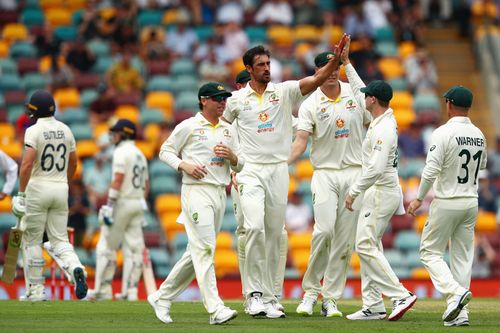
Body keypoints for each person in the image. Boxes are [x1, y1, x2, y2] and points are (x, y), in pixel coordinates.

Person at [222, 43, 344, 318]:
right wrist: (232, 163)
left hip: (278, 170)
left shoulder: (283, 91)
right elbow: (223, 129)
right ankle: (253, 295)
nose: (267, 68)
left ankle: (268, 297)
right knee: (253, 228)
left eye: (268, 63)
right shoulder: (236, 100)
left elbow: (316, 79)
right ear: (249, 69)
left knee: (274, 234)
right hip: (250, 171)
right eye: (261, 65)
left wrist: (336, 60)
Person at [148, 82, 243, 325]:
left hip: (220, 193)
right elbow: (165, 151)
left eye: (224, 99)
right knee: (206, 249)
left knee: (197, 252)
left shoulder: (228, 130)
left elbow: (240, 165)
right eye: (217, 98)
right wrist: (184, 165)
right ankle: (215, 308)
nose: (223, 102)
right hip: (195, 192)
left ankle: (162, 296)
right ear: (203, 100)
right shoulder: (189, 126)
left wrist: (232, 157)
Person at [288, 51, 371, 317]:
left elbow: (375, 117)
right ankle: (311, 292)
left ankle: (331, 298)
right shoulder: (310, 104)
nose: (332, 71)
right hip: (324, 173)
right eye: (326, 67)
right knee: (323, 232)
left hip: (354, 173)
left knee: (345, 241)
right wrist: (284, 161)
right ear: (317, 72)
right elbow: (301, 139)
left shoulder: (355, 94)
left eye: (335, 66)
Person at [342, 37, 417, 321]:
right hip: (378, 191)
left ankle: (401, 294)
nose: (363, 97)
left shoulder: (385, 129)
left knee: (364, 244)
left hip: (381, 191)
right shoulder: (378, 118)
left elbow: (375, 168)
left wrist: (353, 192)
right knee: (372, 245)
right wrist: (346, 63)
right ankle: (373, 305)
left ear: (372, 100)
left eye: (366, 96)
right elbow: (360, 85)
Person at [408, 85, 487, 327]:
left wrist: (419, 197)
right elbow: (481, 166)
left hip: (447, 200)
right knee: (462, 257)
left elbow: (431, 169)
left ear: (449, 105)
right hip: (470, 201)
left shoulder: (442, 132)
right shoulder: (480, 134)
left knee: (429, 251)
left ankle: (454, 294)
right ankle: (460, 313)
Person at [11, 90, 88, 301]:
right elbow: (74, 163)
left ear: (35, 111)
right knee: (60, 239)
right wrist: (65, 181)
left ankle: (36, 291)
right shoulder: (66, 129)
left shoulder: (33, 131)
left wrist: (21, 194)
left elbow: (27, 164)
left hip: (37, 188)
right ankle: (75, 267)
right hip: (60, 188)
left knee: (32, 240)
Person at [231, 69, 289, 313]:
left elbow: (297, 128)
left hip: (271, 174)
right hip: (243, 177)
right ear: (239, 86)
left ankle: (272, 293)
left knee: (276, 234)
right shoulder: (234, 109)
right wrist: (232, 172)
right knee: (249, 232)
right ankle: (251, 294)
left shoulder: (272, 108)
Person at [87, 119, 149, 301]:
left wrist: (110, 204)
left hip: (122, 203)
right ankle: (130, 292)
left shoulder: (121, 152)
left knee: (106, 245)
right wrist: (140, 203)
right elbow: (146, 184)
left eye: (115, 132)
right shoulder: (140, 153)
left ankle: (101, 290)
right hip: (137, 203)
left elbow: (118, 178)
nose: (112, 135)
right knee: (135, 249)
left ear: (124, 134)